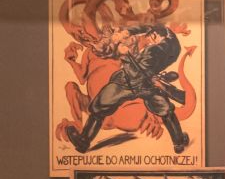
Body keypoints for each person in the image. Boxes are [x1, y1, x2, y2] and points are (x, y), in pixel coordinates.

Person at [63, 24, 192, 155]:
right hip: (148, 85)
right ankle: (179, 142)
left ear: (155, 36)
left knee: (98, 106)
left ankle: (83, 141)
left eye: (151, 39)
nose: (148, 41)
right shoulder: (172, 42)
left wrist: (125, 55)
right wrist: (127, 32)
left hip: (131, 82)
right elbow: (146, 28)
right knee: (166, 110)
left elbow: (135, 74)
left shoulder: (153, 52)